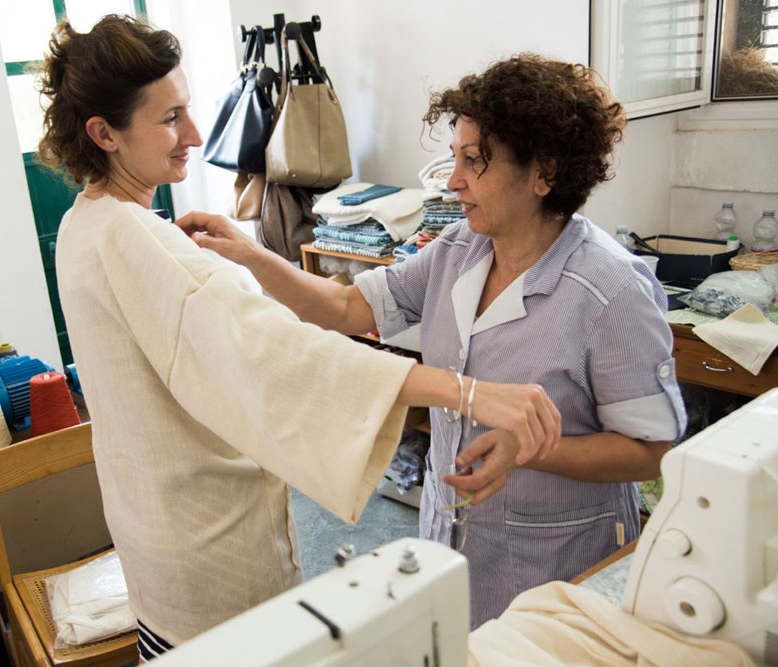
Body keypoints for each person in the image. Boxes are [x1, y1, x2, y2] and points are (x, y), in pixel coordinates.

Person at [40, 17, 560, 657]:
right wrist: (467, 392)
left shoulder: (83, 226)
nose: (195, 136)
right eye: (171, 118)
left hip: (153, 525)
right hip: (208, 543)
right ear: (104, 133)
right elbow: (283, 353)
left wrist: (251, 257)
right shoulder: (141, 242)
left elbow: (332, 311)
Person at [181, 53, 687, 628]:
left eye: (476, 162)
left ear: (544, 173)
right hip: (453, 541)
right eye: (455, 158)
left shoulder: (609, 292)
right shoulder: (457, 251)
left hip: (556, 566)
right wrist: (251, 255)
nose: (453, 181)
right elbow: (348, 307)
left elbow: (651, 449)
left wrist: (534, 449)